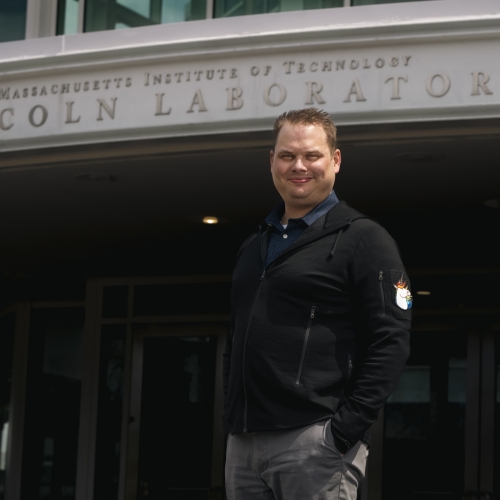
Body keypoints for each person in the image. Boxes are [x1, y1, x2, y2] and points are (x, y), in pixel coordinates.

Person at [223, 108, 411, 500]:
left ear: (336, 160)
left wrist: (341, 433)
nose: (299, 166)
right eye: (287, 156)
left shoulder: (366, 240)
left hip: (315, 442)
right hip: (243, 444)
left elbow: (390, 341)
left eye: (312, 155)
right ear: (271, 161)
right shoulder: (254, 245)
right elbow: (236, 334)